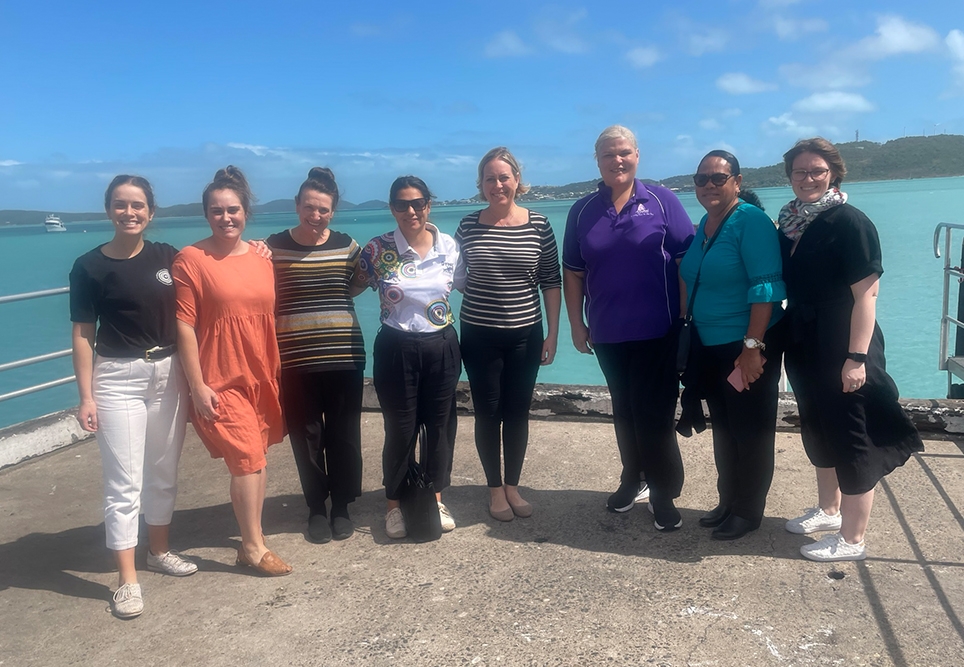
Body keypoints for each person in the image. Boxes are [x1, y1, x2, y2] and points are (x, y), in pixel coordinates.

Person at [777, 138, 924, 561]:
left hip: (844, 342)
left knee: (853, 434)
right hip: (805, 341)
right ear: (789, 177)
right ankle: (828, 510)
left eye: (817, 171)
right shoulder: (790, 223)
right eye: (800, 172)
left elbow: (868, 296)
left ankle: (853, 539)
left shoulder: (850, 221)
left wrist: (856, 358)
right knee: (818, 427)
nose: (808, 179)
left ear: (834, 174)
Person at [70, 175, 198, 619]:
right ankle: (127, 580)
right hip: (117, 379)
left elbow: (211, 270)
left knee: (164, 471)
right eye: (122, 205)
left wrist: (259, 250)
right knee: (124, 482)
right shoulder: (88, 267)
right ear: (109, 209)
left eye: (138, 205)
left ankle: (158, 551)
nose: (130, 212)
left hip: (169, 372)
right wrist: (85, 397)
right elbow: (84, 335)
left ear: (151, 212)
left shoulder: (169, 257)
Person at [562, 125, 694, 531]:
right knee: (625, 411)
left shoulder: (661, 200)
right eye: (607, 155)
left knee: (654, 414)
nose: (616, 161)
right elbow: (573, 272)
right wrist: (576, 324)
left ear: (637, 155)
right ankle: (632, 478)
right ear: (597, 161)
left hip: (659, 330)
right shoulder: (582, 210)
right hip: (607, 332)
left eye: (623, 153)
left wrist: (686, 320)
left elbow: (688, 263)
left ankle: (663, 491)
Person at [173, 166, 291, 576]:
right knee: (245, 458)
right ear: (206, 214)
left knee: (258, 459)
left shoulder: (261, 257)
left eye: (233, 210)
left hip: (261, 371)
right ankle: (253, 547)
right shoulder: (191, 259)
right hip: (221, 377)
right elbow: (184, 324)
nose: (226, 218)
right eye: (217, 211)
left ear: (246, 212)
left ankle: (251, 537)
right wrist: (197, 384)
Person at [678, 150, 786, 540]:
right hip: (710, 347)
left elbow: (766, 288)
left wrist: (753, 347)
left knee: (751, 431)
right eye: (702, 178)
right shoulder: (707, 223)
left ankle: (748, 512)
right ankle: (728, 500)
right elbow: (690, 276)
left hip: (744, 346)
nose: (709, 185)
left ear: (737, 182)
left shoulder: (751, 221)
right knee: (725, 428)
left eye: (718, 178)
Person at [454, 147, 561, 522]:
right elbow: (454, 276)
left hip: (526, 335)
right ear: (481, 185)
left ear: (517, 180)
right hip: (479, 334)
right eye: (489, 179)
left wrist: (552, 333)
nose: (497, 185)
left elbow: (550, 280)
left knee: (517, 412)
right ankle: (494, 490)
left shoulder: (539, 224)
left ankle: (513, 486)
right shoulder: (468, 225)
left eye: (504, 177)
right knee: (487, 412)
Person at [354, 175, 461, 540]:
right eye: (402, 204)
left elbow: (468, 284)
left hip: (442, 346)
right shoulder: (376, 249)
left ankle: (434, 498)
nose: (411, 210)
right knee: (399, 430)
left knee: (440, 429)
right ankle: (394, 505)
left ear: (428, 205)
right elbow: (348, 285)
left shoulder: (448, 246)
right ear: (392, 208)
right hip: (396, 348)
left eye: (418, 203)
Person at [266, 167, 365, 543]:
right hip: (294, 360)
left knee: (343, 434)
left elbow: (356, 283)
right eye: (309, 207)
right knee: (305, 436)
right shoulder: (271, 248)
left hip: (345, 355)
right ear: (297, 205)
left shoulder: (347, 245)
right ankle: (315, 507)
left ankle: (341, 506)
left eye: (323, 209)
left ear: (333, 210)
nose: (315, 215)